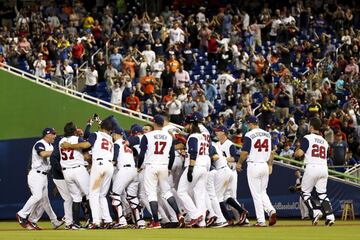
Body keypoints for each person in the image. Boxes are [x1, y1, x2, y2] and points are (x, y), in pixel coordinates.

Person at [61, 118, 115, 229]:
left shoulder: (96, 134)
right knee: (102, 195)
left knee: (93, 194)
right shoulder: (110, 138)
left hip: (99, 165)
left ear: (100, 127)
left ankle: (96, 221)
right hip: (109, 166)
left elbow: (86, 145)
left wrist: (69, 146)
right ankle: (108, 220)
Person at [137, 115, 185, 229]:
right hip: (163, 166)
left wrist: (138, 166)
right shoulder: (168, 137)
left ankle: (156, 222)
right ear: (163, 124)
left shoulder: (147, 135)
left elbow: (142, 154)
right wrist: (168, 168)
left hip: (151, 166)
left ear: (154, 123)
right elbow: (172, 155)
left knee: (151, 194)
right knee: (167, 192)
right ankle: (179, 214)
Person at [16, 128, 64, 230]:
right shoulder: (40, 143)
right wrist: (57, 151)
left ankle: (36, 220)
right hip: (35, 175)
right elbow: (42, 154)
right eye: (53, 134)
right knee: (37, 196)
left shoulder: (50, 146)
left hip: (44, 175)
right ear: (47, 135)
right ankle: (22, 214)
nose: (55, 136)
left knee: (44, 201)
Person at [294, 117, 336, 226]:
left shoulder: (308, 137)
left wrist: (297, 149)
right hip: (323, 168)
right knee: (322, 193)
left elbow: (299, 154)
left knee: (305, 192)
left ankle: (316, 212)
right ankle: (330, 216)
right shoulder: (324, 141)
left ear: (311, 127)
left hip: (312, 167)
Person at [236, 116, 277, 227]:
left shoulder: (249, 134)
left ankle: (261, 220)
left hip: (254, 165)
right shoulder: (267, 134)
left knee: (256, 194)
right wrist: (270, 164)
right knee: (263, 192)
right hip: (264, 164)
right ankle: (271, 210)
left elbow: (244, 153)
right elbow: (273, 152)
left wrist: (239, 163)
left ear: (250, 124)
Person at [177, 113, 210, 227]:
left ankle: (195, 215)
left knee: (181, 191)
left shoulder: (193, 136)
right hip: (204, 167)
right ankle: (202, 222)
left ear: (192, 124)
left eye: (187, 123)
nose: (186, 126)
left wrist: (190, 168)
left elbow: (194, 152)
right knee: (199, 194)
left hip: (195, 166)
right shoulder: (203, 137)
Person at [110, 127, 145, 229]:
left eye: (113, 134)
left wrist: (111, 163)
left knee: (115, 195)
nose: (112, 136)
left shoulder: (117, 143)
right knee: (132, 197)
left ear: (116, 135)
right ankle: (140, 222)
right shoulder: (128, 145)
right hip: (134, 170)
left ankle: (121, 220)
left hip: (124, 170)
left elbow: (115, 158)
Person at [59, 122, 91, 229]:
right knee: (90, 194)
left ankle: (76, 223)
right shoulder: (77, 139)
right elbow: (87, 144)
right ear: (74, 130)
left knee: (76, 197)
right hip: (78, 169)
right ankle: (92, 221)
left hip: (66, 172)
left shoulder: (61, 141)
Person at [214, 125, 248, 225]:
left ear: (224, 133)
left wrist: (223, 159)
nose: (216, 133)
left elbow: (236, 158)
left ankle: (241, 219)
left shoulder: (229, 144)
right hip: (222, 172)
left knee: (230, 196)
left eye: (218, 131)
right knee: (226, 197)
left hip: (231, 172)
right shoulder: (216, 144)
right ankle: (239, 217)